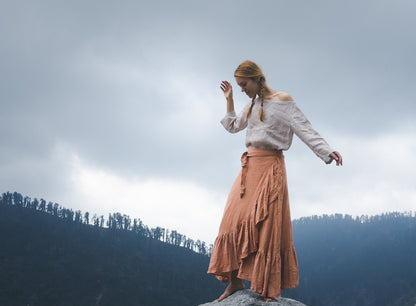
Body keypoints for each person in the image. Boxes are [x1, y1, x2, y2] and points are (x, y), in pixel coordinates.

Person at [207, 60, 342, 302]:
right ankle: (236, 282)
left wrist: (327, 151)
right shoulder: (252, 104)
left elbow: (305, 129)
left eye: (243, 84)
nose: (242, 89)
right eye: (238, 86)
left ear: (257, 78)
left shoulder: (283, 101)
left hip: (271, 168)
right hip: (249, 168)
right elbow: (232, 126)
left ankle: (267, 288)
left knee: (267, 227)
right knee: (233, 221)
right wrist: (229, 99)